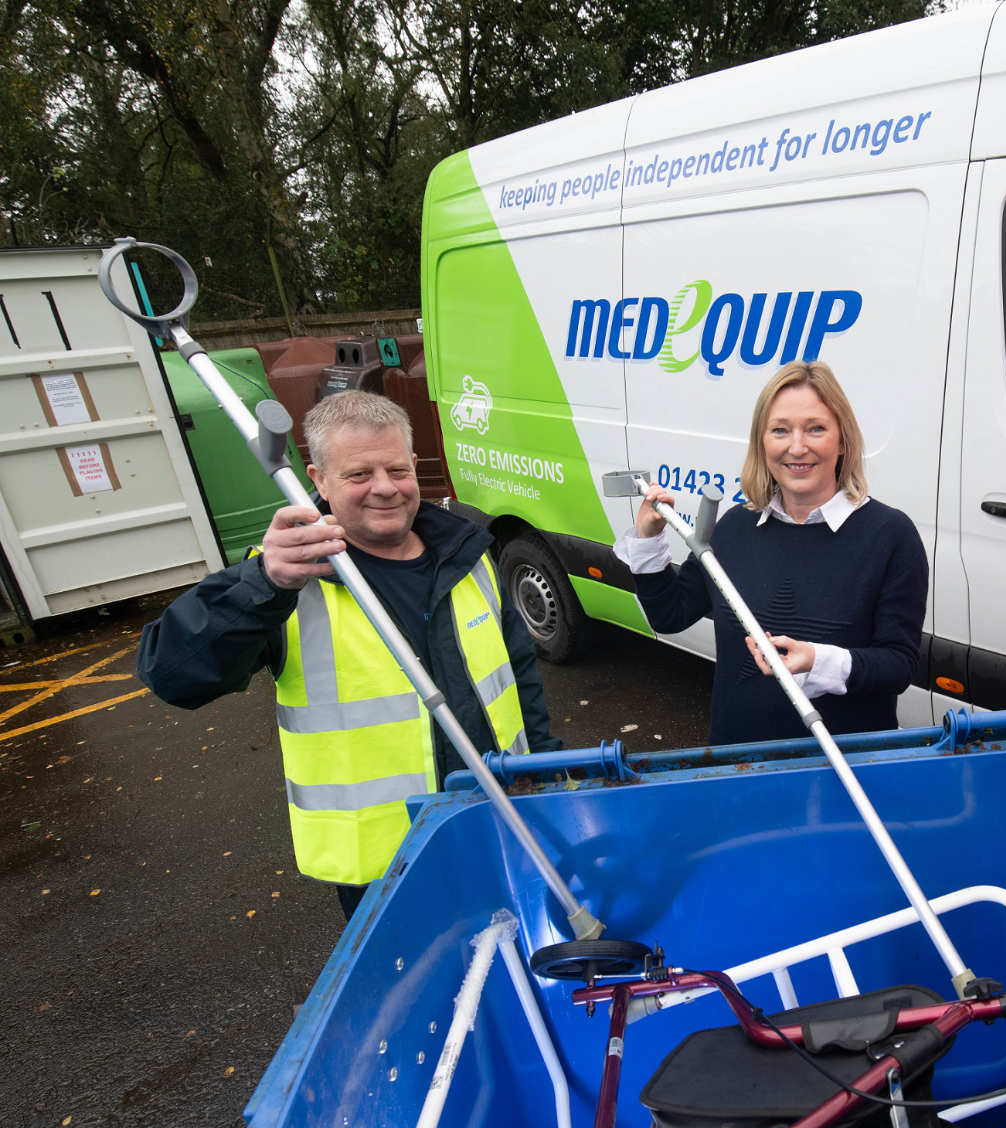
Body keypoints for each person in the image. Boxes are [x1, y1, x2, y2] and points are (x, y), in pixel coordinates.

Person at [137, 390, 563, 918]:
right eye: (358, 475)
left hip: (504, 822)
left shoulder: (471, 555)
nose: (384, 488)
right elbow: (172, 675)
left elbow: (520, 680)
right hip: (388, 869)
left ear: (414, 466)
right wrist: (258, 586)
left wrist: (551, 776)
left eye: (396, 469)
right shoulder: (284, 580)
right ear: (316, 479)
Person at [615, 361, 927, 746]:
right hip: (739, 760)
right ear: (762, 443)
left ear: (842, 439)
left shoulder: (890, 536)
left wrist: (817, 661)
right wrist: (648, 540)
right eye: (780, 430)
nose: (798, 447)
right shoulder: (734, 527)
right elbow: (669, 614)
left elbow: (898, 666)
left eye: (816, 428)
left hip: (844, 763)